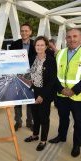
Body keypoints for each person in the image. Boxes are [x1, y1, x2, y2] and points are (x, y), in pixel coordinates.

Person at [49, 28, 81, 157]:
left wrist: (74, 90)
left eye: (75, 36)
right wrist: (61, 89)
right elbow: (54, 74)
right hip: (61, 94)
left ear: (80, 37)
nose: (72, 39)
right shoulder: (60, 53)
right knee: (63, 118)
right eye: (69, 37)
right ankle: (61, 136)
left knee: (79, 122)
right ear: (65, 39)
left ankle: (76, 144)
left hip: (78, 96)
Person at [24, 36, 57, 151]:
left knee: (44, 118)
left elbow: (52, 81)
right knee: (35, 116)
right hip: (33, 91)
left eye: (42, 45)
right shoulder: (32, 58)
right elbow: (28, 73)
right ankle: (35, 135)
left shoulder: (51, 60)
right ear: (35, 46)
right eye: (37, 45)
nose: (39, 47)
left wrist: (42, 95)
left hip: (45, 92)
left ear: (46, 46)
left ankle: (43, 140)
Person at [10, 23, 37, 131]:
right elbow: (9, 59)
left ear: (30, 32)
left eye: (26, 31)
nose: (24, 33)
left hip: (32, 76)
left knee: (30, 100)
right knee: (17, 101)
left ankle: (29, 122)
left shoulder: (36, 44)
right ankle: (18, 122)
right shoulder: (14, 44)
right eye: (22, 31)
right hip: (18, 76)